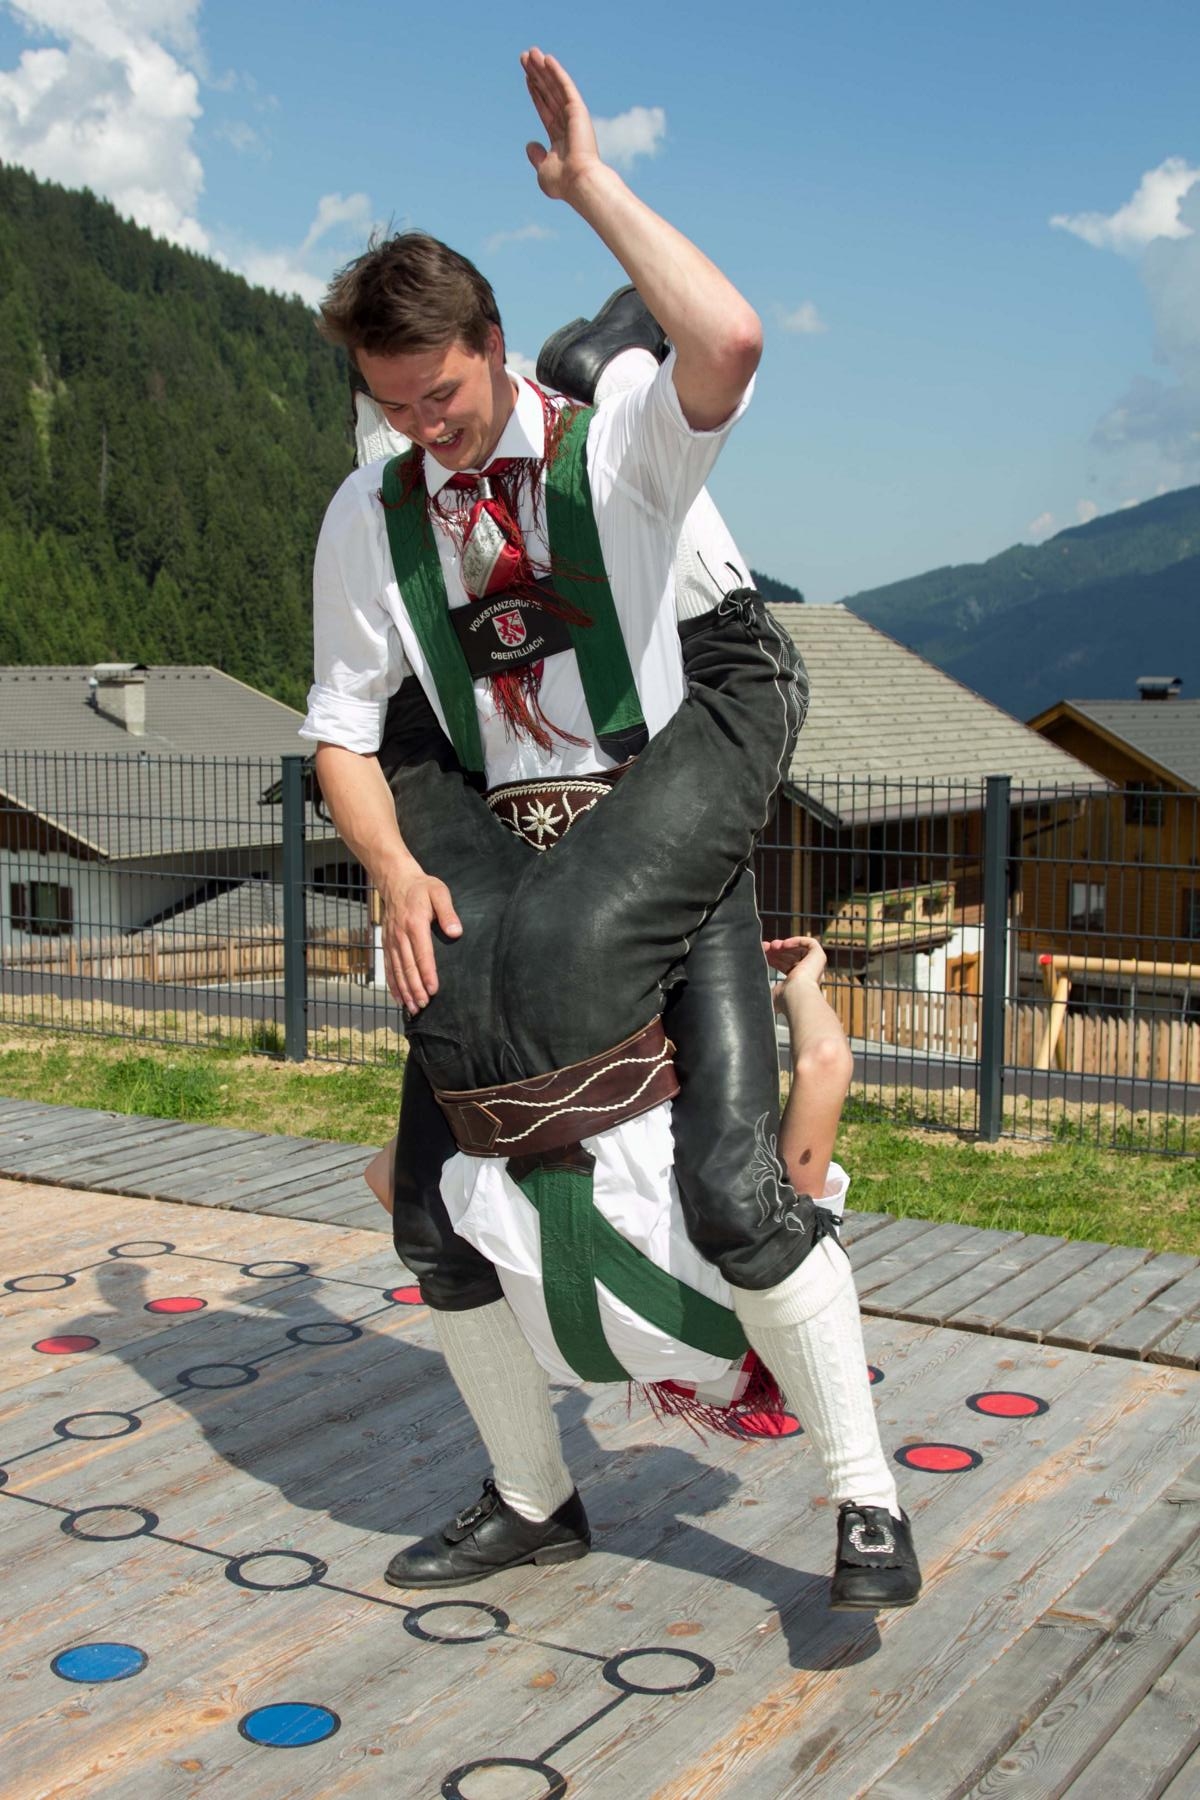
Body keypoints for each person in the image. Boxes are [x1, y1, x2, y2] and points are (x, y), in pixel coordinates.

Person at [302, 47, 919, 1611]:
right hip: (498, 859)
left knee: (736, 1194)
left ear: (494, 348)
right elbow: (341, 731)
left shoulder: (622, 432)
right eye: (390, 407)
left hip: (656, 837)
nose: (424, 429)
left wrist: (588, 186)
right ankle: (534, 1498)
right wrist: (392, 868)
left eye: (442, 396)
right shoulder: (369, 515)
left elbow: (731, 337)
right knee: (431, 1216)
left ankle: (864, 1502)